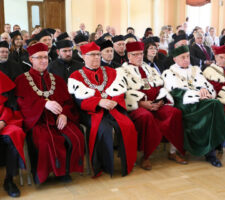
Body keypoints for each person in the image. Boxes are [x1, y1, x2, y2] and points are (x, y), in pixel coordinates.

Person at [162, 46, 225, 167]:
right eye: (182, 57)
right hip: (185, 105)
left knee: (213, 106)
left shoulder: (195, 69)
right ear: (175, 59)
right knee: (214, 106)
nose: (186, 59)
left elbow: (207, 85)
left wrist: (205, 90)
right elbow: (176, 92)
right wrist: (198, 94)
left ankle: (213, 152)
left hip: (202, 102)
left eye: (187, 56)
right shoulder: (169, 73)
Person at [15, 42, 85, 184]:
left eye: (46, 57)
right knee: (46, 140)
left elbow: (68, 102)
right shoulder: (21, 80)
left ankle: (65, 171)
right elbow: (22, 105)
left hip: (59, 118)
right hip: (38, 120)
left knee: (76, 135)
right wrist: (44, 104)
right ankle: (44, 174)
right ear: (31, 60)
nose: (43, 60)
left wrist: (64, 114)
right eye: (39, 57)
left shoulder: (57, 80)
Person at [68, 42, 137, 177]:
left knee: (127, 125)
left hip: (113, 108)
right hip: (91, 112)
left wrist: (113, 101)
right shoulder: (75, 76)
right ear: (83, 56)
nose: (96, 58)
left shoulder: (112, 72)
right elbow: (78, 99)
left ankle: (127, 162)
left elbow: (120, 91)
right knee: (103, 129)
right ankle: (104, 165)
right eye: (92, 55)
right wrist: (99, 101)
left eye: (98, 55)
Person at [117, 41, 187, 170]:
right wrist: (141, 103)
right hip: (137, 107)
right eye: (135, 54)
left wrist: (161, 99)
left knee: (175, 112)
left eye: (140, 54)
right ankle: (146, 156)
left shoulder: (150, 68)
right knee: (146, 117)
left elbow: (162, 85)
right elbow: (122, 93)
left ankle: (173, 151)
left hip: (157, 103)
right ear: (128, 56)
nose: (139, 57)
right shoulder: (120, 71)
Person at [0, 66, 25, 198]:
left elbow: (11, 104)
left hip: (4, 121)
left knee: (14, 135)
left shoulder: (2, 78)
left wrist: (3, 121)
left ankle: (9, 179)